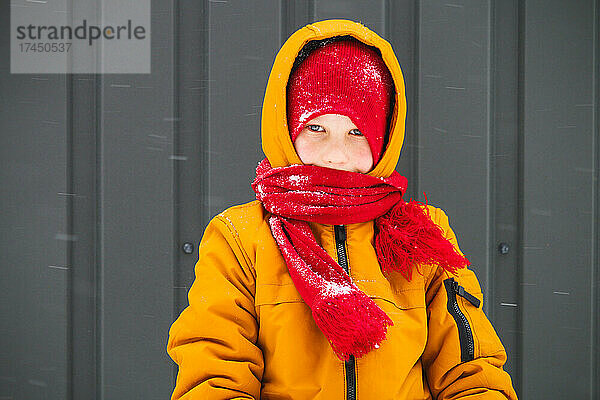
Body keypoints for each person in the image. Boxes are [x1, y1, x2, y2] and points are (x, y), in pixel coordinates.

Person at [167, 19, 518, 399]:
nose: (336, 155)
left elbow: (471, 372)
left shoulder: (424, 235)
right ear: (286, 127)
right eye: (316, 128)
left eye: (357, 133)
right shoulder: (240, 237)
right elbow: (215, 377)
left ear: (384, 138)